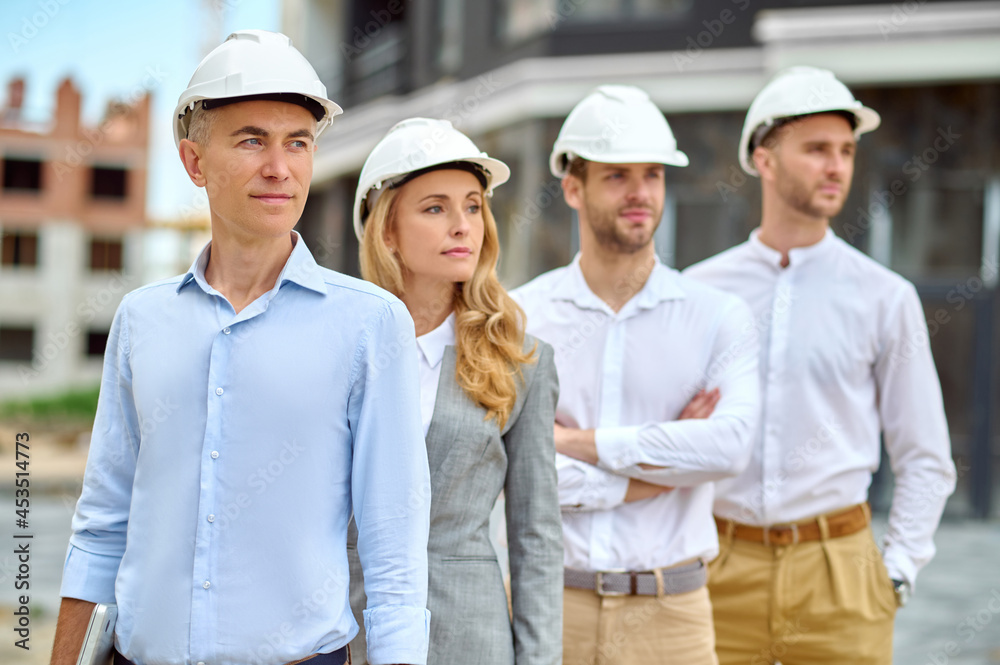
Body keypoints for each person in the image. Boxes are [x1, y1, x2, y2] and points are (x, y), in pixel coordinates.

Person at [49, 30, 431, 665]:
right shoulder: (142, 320)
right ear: (194, 163)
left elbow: (394, 553)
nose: (279, 167)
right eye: (252, 140)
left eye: (298, 144)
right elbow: (101, 525)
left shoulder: (370, 325)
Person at [685, 66, 957, 664]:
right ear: (765, 158)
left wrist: (898, 572)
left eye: (845, 151)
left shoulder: (885, 297)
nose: (836, 167)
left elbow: (925, 456)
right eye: (815, 150)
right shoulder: (698, 293)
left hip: (842, 570)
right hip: (715, 566)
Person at [513, 85, 760, 665]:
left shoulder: (716, 315)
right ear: (573, 188)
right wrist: (666, 468)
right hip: (549, 606)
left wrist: (571, 441)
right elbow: (517, 469)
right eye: (617, 176)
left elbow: (728, 448)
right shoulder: (520, 318)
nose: (640, 193)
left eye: (652, 174)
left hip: (671, 615)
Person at [346, 117, 563, 665]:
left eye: (473, 206)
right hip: (344, 626)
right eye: (435, 207)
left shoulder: (521, 360)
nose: (463, 225)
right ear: (385, 229)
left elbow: (536, 535)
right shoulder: (336, 348)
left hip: (471, 634)